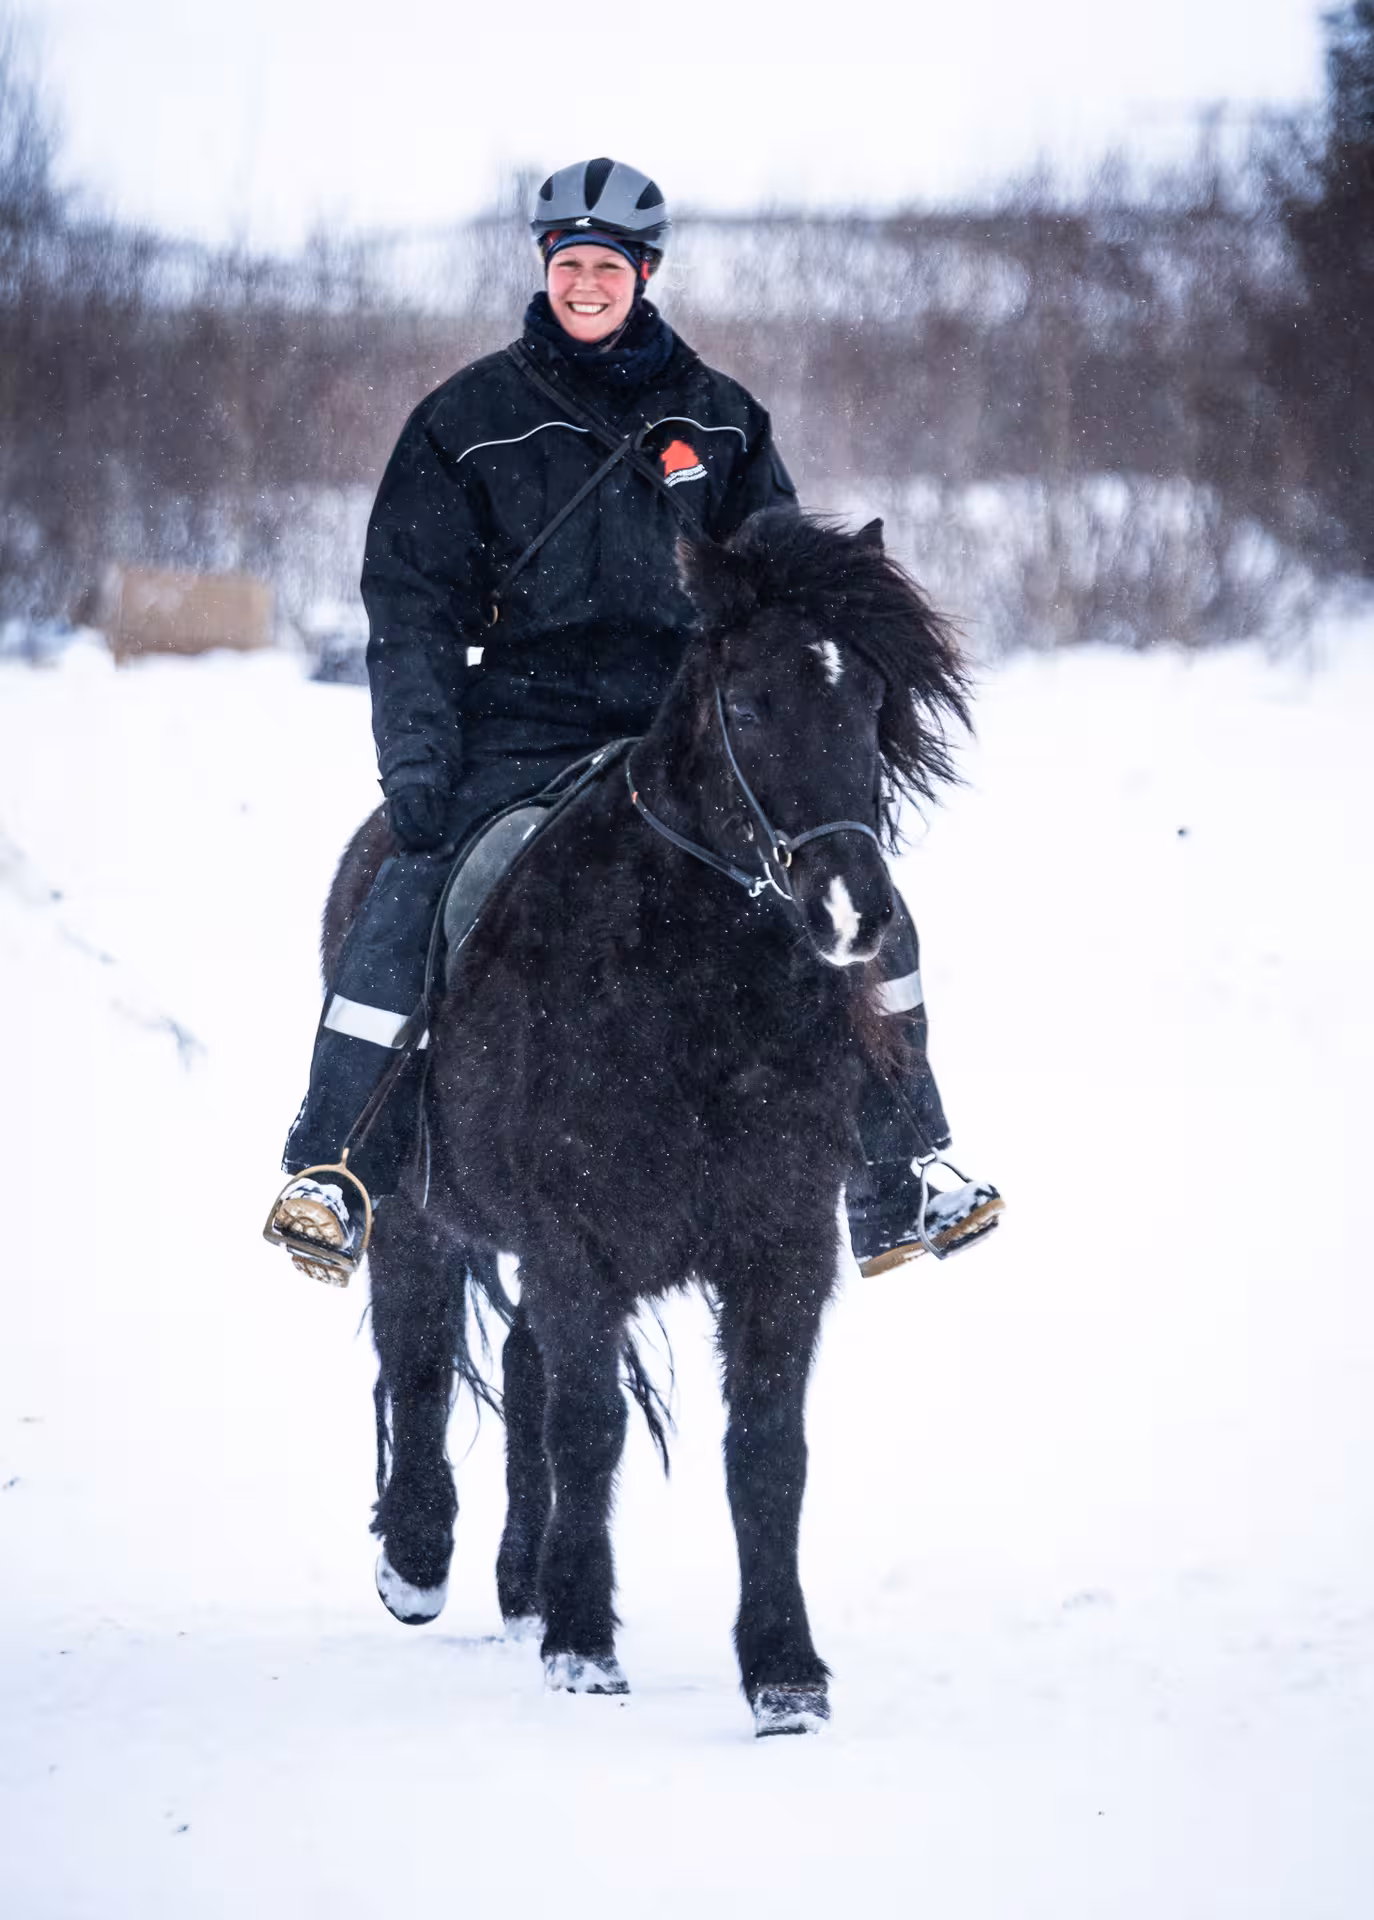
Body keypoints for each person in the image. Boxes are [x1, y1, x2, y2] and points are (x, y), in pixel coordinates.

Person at [267, 157, 1001, 1279]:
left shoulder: (719, 418)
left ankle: (900, 1170)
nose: (588, 284)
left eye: (609, 266)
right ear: (545, 268)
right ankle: (340, 1165)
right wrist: (417, 760)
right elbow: (407, 603)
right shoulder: (466, 419)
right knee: (410, 885)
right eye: (570, 265)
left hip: (689, 724)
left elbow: (781, 587)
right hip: (520, 719)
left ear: (644, 273)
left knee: (862, 900)